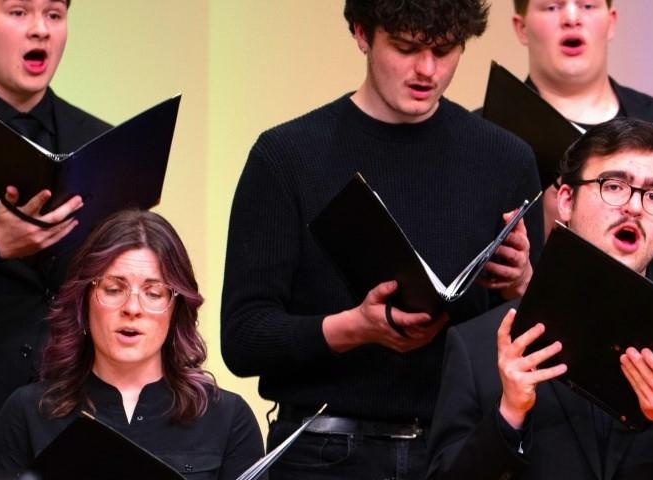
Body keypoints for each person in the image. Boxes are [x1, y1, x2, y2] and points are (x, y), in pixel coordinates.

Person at [220, 1, 541, 478]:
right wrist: (355, 327)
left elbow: (539, 347)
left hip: (458, 449)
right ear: (362, 33)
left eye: (445, 50)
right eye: (407, 48)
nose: (427, 70)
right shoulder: (287, 157)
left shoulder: (505, 160)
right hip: (321, 450)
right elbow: (243, 338)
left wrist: (523, 288)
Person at [427, 117, 653, 479]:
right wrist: (508, 415)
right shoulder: (477, 345)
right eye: (614, 186)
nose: (635, 207)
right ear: (566, 201)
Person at [0, 209, 264, 479]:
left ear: (176, 308)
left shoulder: (228, 418)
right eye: (114, 289)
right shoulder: (28, 409)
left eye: (153, 293)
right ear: (84, 300)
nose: (132, 308)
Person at [506, 0, 653, 300]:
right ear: (521, 28)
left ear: (611, 21)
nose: (572, 18)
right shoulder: (487, 141)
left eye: (588, 5)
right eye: (552, 7)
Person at [0, 0, 111, 472]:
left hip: (71, 419)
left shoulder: (100, 141)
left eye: (54, 15)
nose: (40, 30)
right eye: (18, 13)